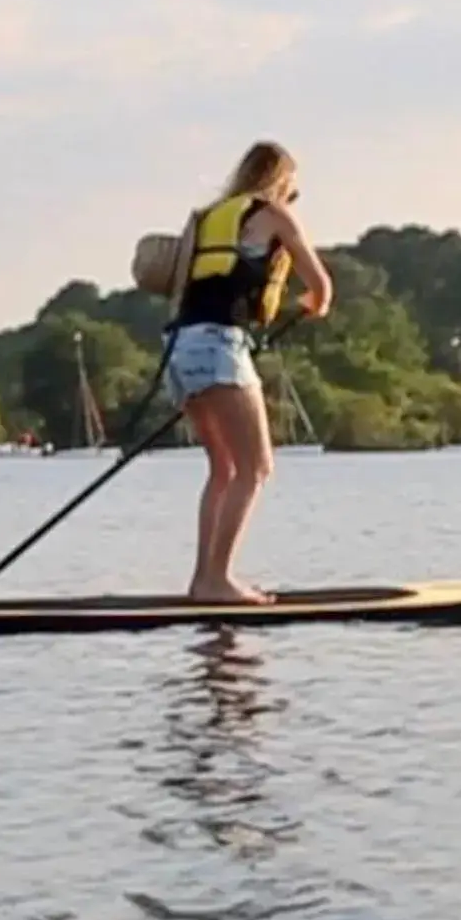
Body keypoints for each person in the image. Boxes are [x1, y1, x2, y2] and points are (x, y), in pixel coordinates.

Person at [163, 141, 333, 604]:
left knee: (223, 468)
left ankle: (204, 580)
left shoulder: (205, 217)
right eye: (290, 191)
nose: (290, 201)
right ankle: (216, 581)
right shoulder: (274, 214)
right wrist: (312, 304)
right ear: (279, 182)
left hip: (178, 348)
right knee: (256, 468)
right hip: (219, 346)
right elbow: (321, 287)